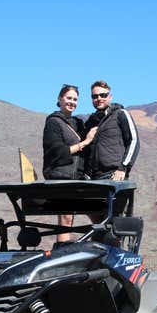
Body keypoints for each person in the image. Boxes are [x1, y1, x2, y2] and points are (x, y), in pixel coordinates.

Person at [42, 84, 96, 241]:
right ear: (60, 99)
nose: (72, 102)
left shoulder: (78, 123)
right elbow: (57, 152)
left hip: (77, 179)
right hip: (61, 177)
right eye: (69, 98)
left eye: (75, 99)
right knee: (66, 219)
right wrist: (84, 143)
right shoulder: (53, 122)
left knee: (98, 214)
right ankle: (62, 255)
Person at [84, 80, 139, 181]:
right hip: (93, 178)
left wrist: (123, 168)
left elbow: (134, 140)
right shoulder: (90, 122)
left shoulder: (120, 114)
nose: (99, 98)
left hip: (114, 175)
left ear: (110, 97)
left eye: (103, 95)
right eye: (95, 96)